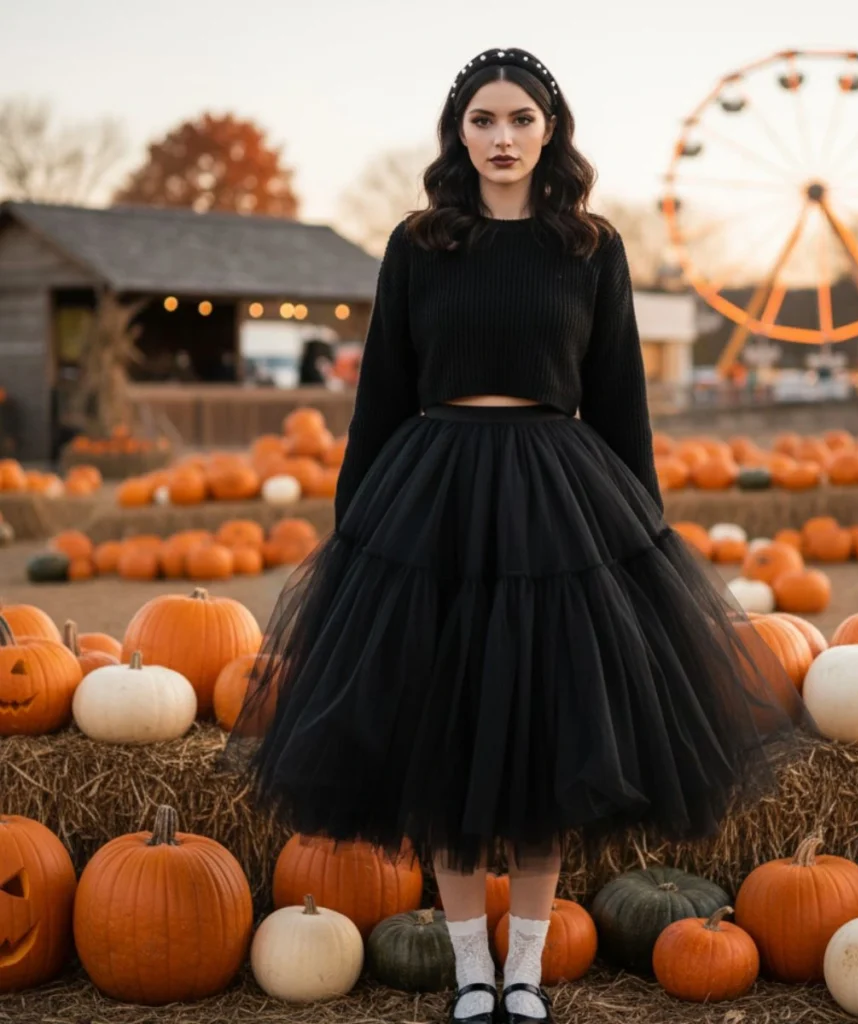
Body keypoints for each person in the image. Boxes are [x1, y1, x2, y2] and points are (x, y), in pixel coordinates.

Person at [223, 46, 810, 1024]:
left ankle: (525, 973)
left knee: (545, 741)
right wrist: (357, 523)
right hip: (433, 492)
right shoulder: (420, 244)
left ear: (551, 131)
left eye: (520, 120)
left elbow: (620, 398)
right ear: (458, 131)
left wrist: (642, 537)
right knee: (445, 747)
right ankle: (469, 974)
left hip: (558, 497)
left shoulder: (589, 246)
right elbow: (380, 396)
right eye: (483, 119)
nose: (501, 137)